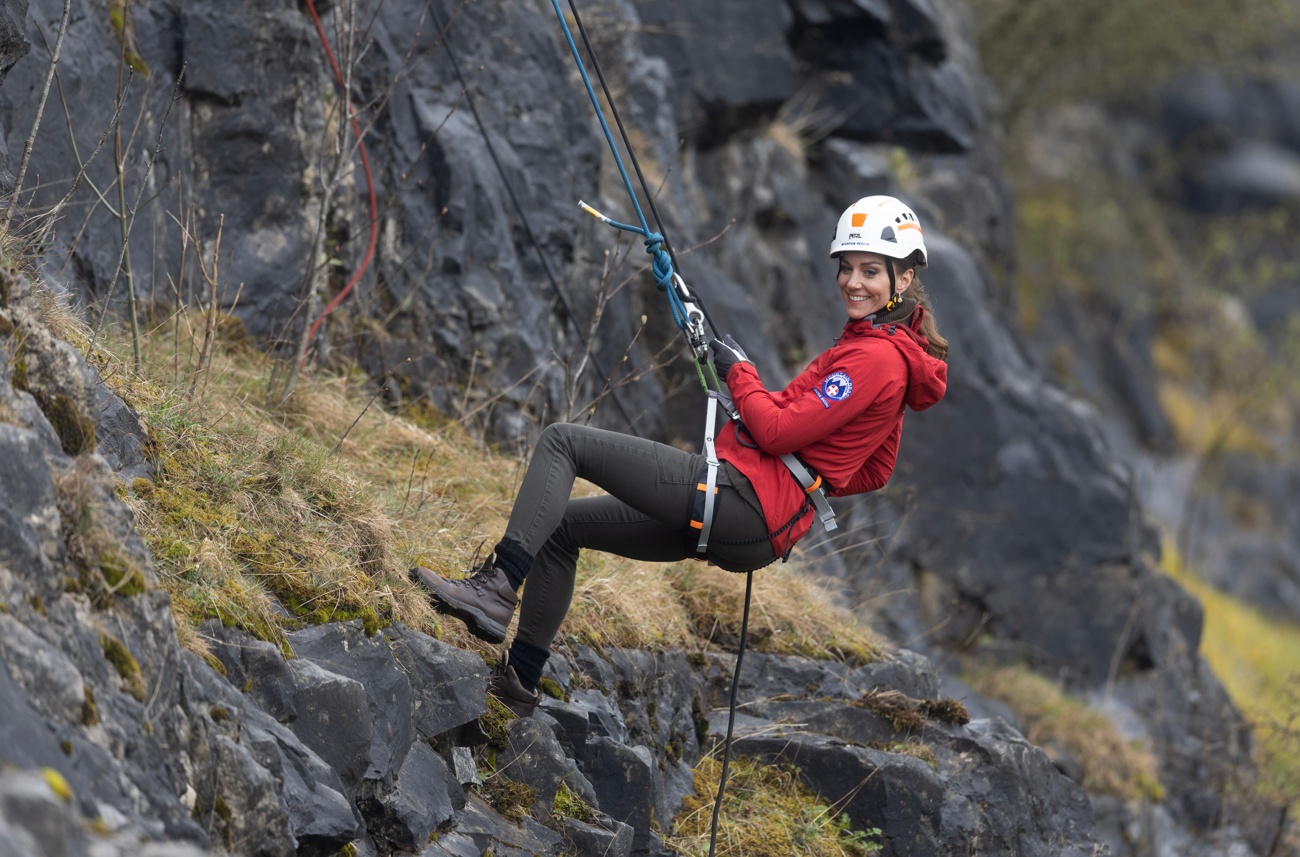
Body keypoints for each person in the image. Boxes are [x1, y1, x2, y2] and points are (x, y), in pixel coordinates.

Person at [411, 195, 949, 716]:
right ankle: (518, 685)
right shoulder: (888, 353)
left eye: (871, 271)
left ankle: (494, 589)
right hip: (755, 522)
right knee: (560, 530)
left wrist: (741, 372)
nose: (853, 282)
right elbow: (875, 469)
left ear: (903, 279)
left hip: (741, 501)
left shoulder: (875, 358)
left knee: (562, 440)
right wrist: (807, 485)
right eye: (847, 267)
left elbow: (779, 430)